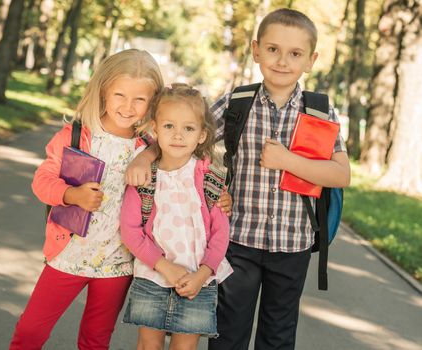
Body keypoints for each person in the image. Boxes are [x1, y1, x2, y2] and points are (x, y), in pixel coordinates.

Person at [207, 8, 351, 350]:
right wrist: (208, 190)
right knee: (228, 330)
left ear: (311, 60)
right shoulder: (236, 102)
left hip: (293, 243)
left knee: (279, 334)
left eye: (295, 53)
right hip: (238, 239)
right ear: (256, 50)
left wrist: (288, 160)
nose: (282, 61)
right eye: (273, 49)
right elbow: (188, 144)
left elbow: (341, 173)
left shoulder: (318, 111)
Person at [9, 49, 164, 350]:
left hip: (117, 263)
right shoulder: (77, 135)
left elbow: (188, 178)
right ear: (103, 89)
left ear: (153, 102)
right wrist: (72, 194)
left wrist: (151, 153)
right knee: (30, 331)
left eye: (140, 99)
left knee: (95, 340)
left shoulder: (148, 148)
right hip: (68, 256)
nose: (128, 107)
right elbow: (42, 182)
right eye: (119, 94)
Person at [120, 84, 233, 350]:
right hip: (153, 276)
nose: (178, 135)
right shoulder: (145, 177)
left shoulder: (210, 179)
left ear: (202, 134)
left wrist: (203, 273)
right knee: (149, 344)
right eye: (169, 126)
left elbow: (221, 234)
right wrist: (164, 266)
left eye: (189, 128)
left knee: (185, 346)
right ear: (155, 129)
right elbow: (130, 231)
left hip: (198, 279)